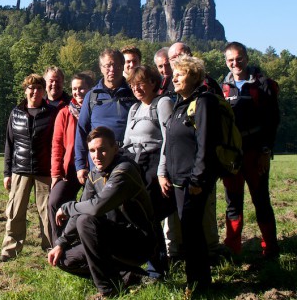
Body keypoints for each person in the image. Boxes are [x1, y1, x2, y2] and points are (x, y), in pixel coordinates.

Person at [48, 126, 157, 298]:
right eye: (92, 150)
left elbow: (97, 207)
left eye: (102, 150)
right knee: (64, 259)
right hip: (110, 238)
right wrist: (61, 243)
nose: (96, 156)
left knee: (86, 221)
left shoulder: (124, 170)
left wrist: (67, 207)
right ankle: (130, 276)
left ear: (115, 148)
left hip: (138, 243)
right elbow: (82, 207)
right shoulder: (95, 174)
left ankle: (108, 291)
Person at [160, 56, 220, 291]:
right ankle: (194, 280)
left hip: (192, 182)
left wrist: (198, 179)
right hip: (178, 182)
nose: (173, 77)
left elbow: (205, 143)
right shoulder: (180, 104)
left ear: (194, 77)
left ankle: (199, 284)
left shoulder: (204, 102)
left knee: (193, 233)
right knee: (188, 231)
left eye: (180, 74)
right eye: (174, 73)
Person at [220, 42, 280, 258]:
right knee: (233, 202)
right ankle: (232, 250)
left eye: (239, 58)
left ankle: (270, 249)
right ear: (225, 62)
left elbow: (272, 121)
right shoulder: (222, 87)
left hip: (255, 153)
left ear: (246, 57)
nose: (235, 63)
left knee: (261, 200)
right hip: (232, 156)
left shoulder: (262, 84)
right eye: (230, 60)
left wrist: (266, 151)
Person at [123, 65, 175, 279]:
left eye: (141, 83)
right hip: (134, 166)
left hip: (153, 166)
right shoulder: (134, 109)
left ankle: (158, 269)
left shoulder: (162, 103)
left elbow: (169, 140)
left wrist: (162, 172)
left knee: (150, 216)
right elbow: (126, 142)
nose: (137, 88)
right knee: (133, 215)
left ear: (153, 82)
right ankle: (136, 264)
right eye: (133, 85)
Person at [0, 74, 56, 262]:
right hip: (19, 170)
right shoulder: (16, 113)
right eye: (31, 88)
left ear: (44, 91)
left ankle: (50, 250)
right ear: (25, 91)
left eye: (39, 88)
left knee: (47, 214)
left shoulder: (51, 113)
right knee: (15, 212)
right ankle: (10, 251)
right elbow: (10, 144)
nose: (35, 92)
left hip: (44, 171)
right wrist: (7, 173)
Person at [74, 49, 137, 185]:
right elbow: (81, 130)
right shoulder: (92, 96)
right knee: (99, 203)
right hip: (98, 162)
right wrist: (80, 165)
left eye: (116, 65)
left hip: (126, 160)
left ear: (122, 66)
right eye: (107, 65)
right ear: (101, 68)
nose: (112, 69)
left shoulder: (134, 93)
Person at [48, 72, 95, 240]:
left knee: (87, 207)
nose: (78, 92)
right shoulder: (65, 113)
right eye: (74, 89)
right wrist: (56, 175)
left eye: (82, 88)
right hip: (70, 170)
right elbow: (57, 146)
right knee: (55, 201)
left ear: (90, 89)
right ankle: (58, 244)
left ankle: (85, 242)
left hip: (93, 168)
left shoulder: (97, 110)